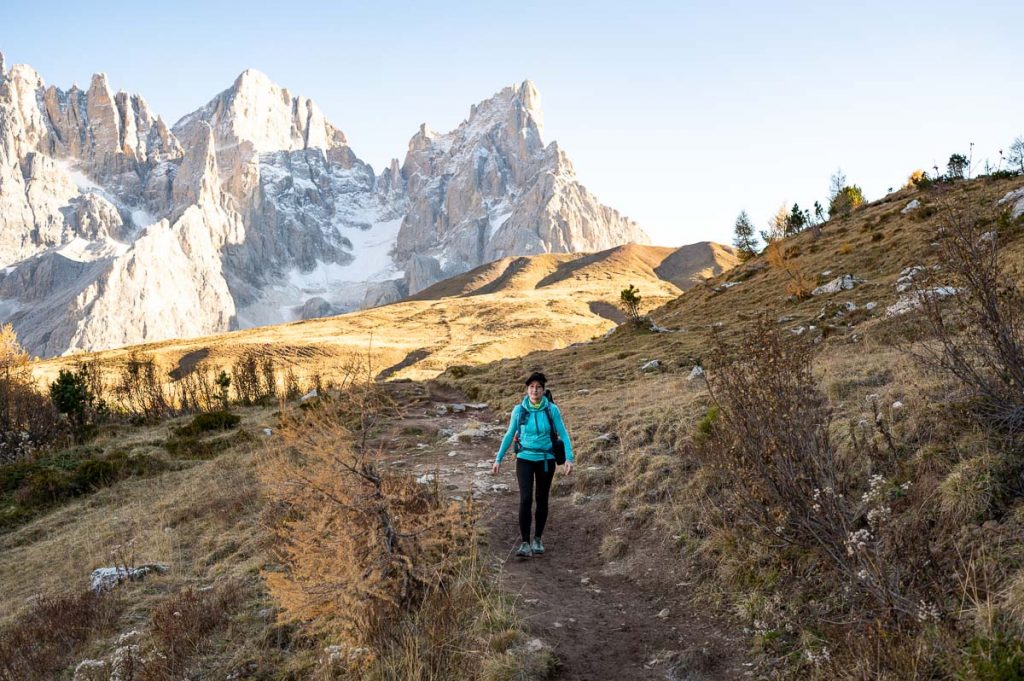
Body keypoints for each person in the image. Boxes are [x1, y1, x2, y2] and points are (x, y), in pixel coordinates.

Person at [490, 371, 574, 557]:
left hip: (545, 460)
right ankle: (525, 543)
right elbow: (509, 435)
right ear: (527, 390)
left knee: (542, 499)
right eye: (531, 387)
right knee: (526, 498)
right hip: (525, 459)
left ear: (543, 390)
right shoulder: (519, 410)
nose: (535, 390)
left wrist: (569, 458)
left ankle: (538, 539)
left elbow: (564, 434)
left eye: (538, 387)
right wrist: (498, 459)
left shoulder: (552, 410)